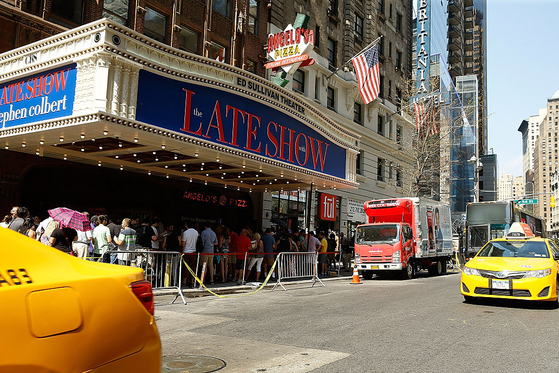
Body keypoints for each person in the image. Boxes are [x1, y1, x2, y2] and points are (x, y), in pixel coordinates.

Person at [180, 220, 199, 288]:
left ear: (186, 225)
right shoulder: (196, 232)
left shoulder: (185, 233)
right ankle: (192, 281)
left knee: (185, 267)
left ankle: (184, 281)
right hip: (193, 251)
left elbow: (183, 244)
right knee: (192, 267)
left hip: (186, 251)